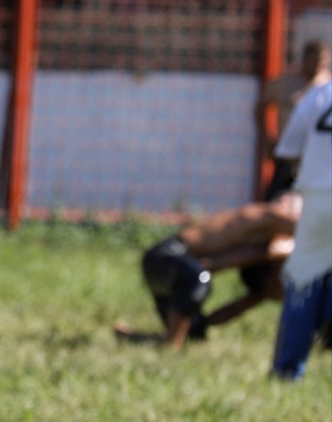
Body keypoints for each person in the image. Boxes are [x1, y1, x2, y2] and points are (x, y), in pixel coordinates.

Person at [113, 196, 300, 350]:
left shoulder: (262, 244)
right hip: (165, 256)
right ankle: (171, 348)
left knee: (194, 331)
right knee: (198, 280)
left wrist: (261, 293)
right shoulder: (272, 214)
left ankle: (147, 340)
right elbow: (314, 230)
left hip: (178, 270)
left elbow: (222, 277)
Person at [269, 79, 332, 380]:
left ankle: (287, 369)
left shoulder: (319, 95)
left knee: (303, 277)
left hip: (319, 200)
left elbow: (289, 150)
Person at [256, 40, 330, 201]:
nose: (319, 64)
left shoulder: (327, 87)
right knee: (275, 201)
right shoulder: (286, 84)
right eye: (314, 59)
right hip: (288, 155)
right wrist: (267, 139)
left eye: (323, 60)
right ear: (304, 59)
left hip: (316, 157)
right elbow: (261, 106)